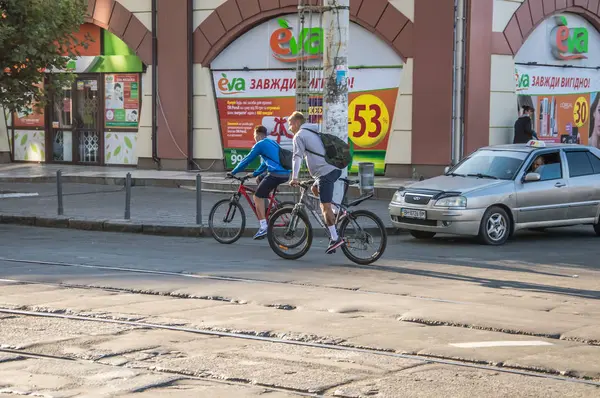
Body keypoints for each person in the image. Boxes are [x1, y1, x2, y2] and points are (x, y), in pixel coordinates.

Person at [288, 111, 343, 254]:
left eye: (291, 124)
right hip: (331, 170)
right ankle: (338, 211)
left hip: (325, 173)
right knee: (314, 189)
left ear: (298, 123)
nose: (289, 128)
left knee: (325, 208)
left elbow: (297, 157)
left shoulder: (299, 135)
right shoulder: (313, 133)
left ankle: (335, 238)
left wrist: (294, 177)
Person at [227, 125, 290, 239]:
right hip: (284, 173)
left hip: (276, 174)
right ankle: (270, 205)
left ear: (258, 134)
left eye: (255, 136)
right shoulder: (271, 142)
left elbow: (247, 159)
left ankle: (263, 227)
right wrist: (254, 174)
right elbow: (265, 163)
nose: (254, 138)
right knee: (259, 179)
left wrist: (234, 172)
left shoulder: (260, 144)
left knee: (256, 197)